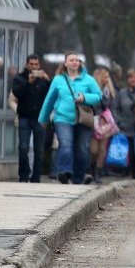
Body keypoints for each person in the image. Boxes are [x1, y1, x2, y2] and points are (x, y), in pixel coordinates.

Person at [38, 52, 103, 184]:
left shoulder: (88, 79)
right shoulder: (58, 80)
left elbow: (98, 96)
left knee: (82, 149)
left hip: (83, 119)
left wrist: (84, 97)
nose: (75, 62)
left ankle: (78, 178)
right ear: (65, 63)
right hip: (62, 118)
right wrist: (43, 119)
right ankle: (64, 172)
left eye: (77, 60)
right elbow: (49, 100)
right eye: (71, 60)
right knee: (65, 145)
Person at [12, 54, 50, 183]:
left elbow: (51, 96)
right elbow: (17, 93)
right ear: (27, 65)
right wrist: (28, 82)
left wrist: (48, 80)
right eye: (31, 64)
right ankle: (23, 175)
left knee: (39, 149)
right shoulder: (19, 78)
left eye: (36, 64)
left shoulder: (42, 79)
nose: (34, 67)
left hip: (39, 118)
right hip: (24, 117)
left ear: (39, 65)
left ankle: (36, 177)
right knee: (23, 147)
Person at [89, 67, 117, 183]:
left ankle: (97, 172)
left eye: (108, 77)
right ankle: (90, 169)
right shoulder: (92, 90)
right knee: (93, 149)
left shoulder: (108, 91)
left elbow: (110, 106)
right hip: (93, 120)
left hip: (105, 121)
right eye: (105, 76)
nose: (107, 79)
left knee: (102, 149)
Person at [115, 69, 135, 178]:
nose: (133, 79)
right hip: (124, 126)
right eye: (130, 77)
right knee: (126, 150)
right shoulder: (121, 93)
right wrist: (119, 121)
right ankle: (125, 171)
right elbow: (116, 108)